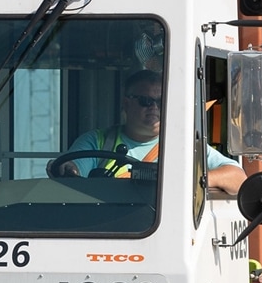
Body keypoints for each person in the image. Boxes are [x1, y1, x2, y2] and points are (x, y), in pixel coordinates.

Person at [60, 70, 247, 195]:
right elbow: (71, 171)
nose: (154, 108)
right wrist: (67, 168)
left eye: (160, 101)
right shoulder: (97, 141)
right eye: (145, 101)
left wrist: (195, 180)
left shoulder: (183, 146)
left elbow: (238, 178)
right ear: (126, 103)